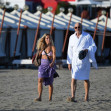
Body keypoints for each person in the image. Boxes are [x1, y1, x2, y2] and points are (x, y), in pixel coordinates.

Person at [67, 23, 97, 102]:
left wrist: (87, 50)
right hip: (74, 61)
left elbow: (94, 46)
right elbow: (69, 50)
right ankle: (73, 96)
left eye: (79, 27)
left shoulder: (87, 36)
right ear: (74, 28)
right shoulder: (71, 37)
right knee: (73, 78)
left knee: (86, 79)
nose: (77, 28)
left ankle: (86, 96)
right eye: (75, 27)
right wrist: (69, 62)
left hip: (84, 61)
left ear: (81, 27)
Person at [34, 33, 56, 101]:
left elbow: (54, 55)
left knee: (50, 83)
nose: (48, 39)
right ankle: (39, 97)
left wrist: (53, 62)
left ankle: (50, 98)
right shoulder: (42, 47)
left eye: (49, 38)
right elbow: (39, 55)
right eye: (47, 38)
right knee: (40, 80)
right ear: (44, 39)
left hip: (50, 66)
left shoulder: (52, 47)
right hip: (42, 66)